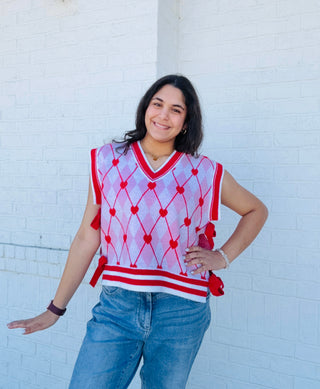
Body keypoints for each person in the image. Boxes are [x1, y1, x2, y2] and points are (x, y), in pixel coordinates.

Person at [7, 74, 268, 388]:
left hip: (181, 310)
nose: (163, 115)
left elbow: (256, 210)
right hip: (118, 306)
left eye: (176, 109)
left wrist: (223, 256)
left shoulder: (204, 171)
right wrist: (55, 309)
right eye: (157, 104)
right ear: (146, 108)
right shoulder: (108, 160)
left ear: (186, 121)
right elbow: (87, 237)